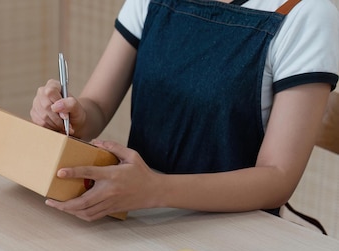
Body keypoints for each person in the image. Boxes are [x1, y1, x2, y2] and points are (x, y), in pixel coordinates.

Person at [30, 0, 339, 221]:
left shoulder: (306, 13)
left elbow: (277, 179)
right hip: (133, 214)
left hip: (235, 231)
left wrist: (155, 189)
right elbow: (95, 107)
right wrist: (70, 114)